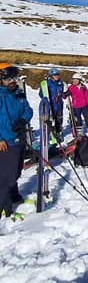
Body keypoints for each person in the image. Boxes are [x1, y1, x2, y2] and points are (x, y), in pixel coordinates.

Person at [0, 63, 33, 219]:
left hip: (19, 138)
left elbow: (28, 109)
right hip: (5, 141)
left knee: (17, 170)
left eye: (14, 77)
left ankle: (14, 196)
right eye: (8, 78)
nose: (12, 81)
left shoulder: (18, 94)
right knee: (7, 175)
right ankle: (4, 207)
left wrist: (22, 120)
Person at [39, 68, 65, 141]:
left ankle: (58, 133)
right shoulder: (47, 83)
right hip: (51, 105)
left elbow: (62, 92)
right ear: (51, 76)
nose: (57, 76)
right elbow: (41, 94)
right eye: (55, 75)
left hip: (59, 105)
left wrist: (64, 94)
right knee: (50, 120)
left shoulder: (61, 83)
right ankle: (51, 135)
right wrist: (45, 100)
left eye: (57, 75)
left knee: (59, 120)